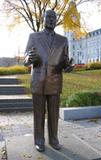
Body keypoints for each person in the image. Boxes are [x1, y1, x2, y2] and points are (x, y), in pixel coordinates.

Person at [24, 10, 72, 152]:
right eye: (48, 17)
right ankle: (39, 140)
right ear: (44, 19)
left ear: (56, 20)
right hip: (38, 80)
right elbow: (26, 56)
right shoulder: (34, 36)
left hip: (55, 81)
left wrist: (68, 66)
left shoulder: (63, 40)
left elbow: (64, 60)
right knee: (38, 114)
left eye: (53, 17)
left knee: (54, 114)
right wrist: (29, 59)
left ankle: (54, 139)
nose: (51, 19)